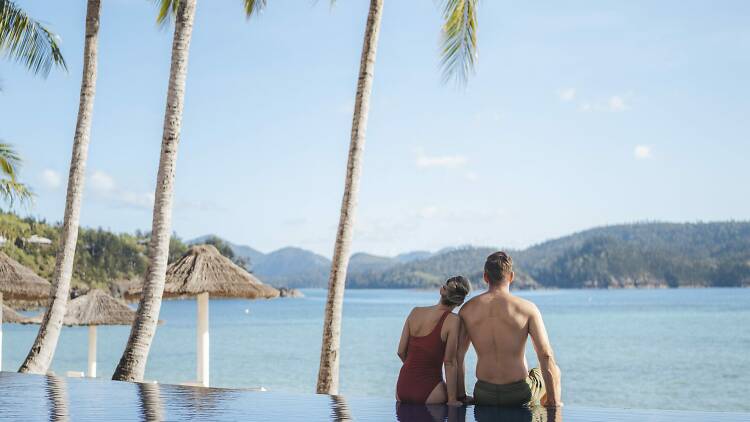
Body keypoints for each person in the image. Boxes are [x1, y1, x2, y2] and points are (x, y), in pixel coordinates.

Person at [458, 251, 562, 407]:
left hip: (483, 393)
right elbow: (545, 354)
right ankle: (551, 406)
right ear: (511, 276)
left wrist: (460, 395)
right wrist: (553, 401)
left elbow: (457, 355)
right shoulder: (527, 308)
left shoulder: (467, 310)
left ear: (485, 277)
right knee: (555, 371)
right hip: (519, 394)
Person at [396, 276, 472, 406]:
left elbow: (401, 351)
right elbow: (449, 362)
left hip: (402, 388)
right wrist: (452, 399)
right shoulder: (453, 320)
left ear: (441, 290)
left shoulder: (415, 312)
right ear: (459, 302)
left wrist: (417, 370)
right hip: (430, 390)